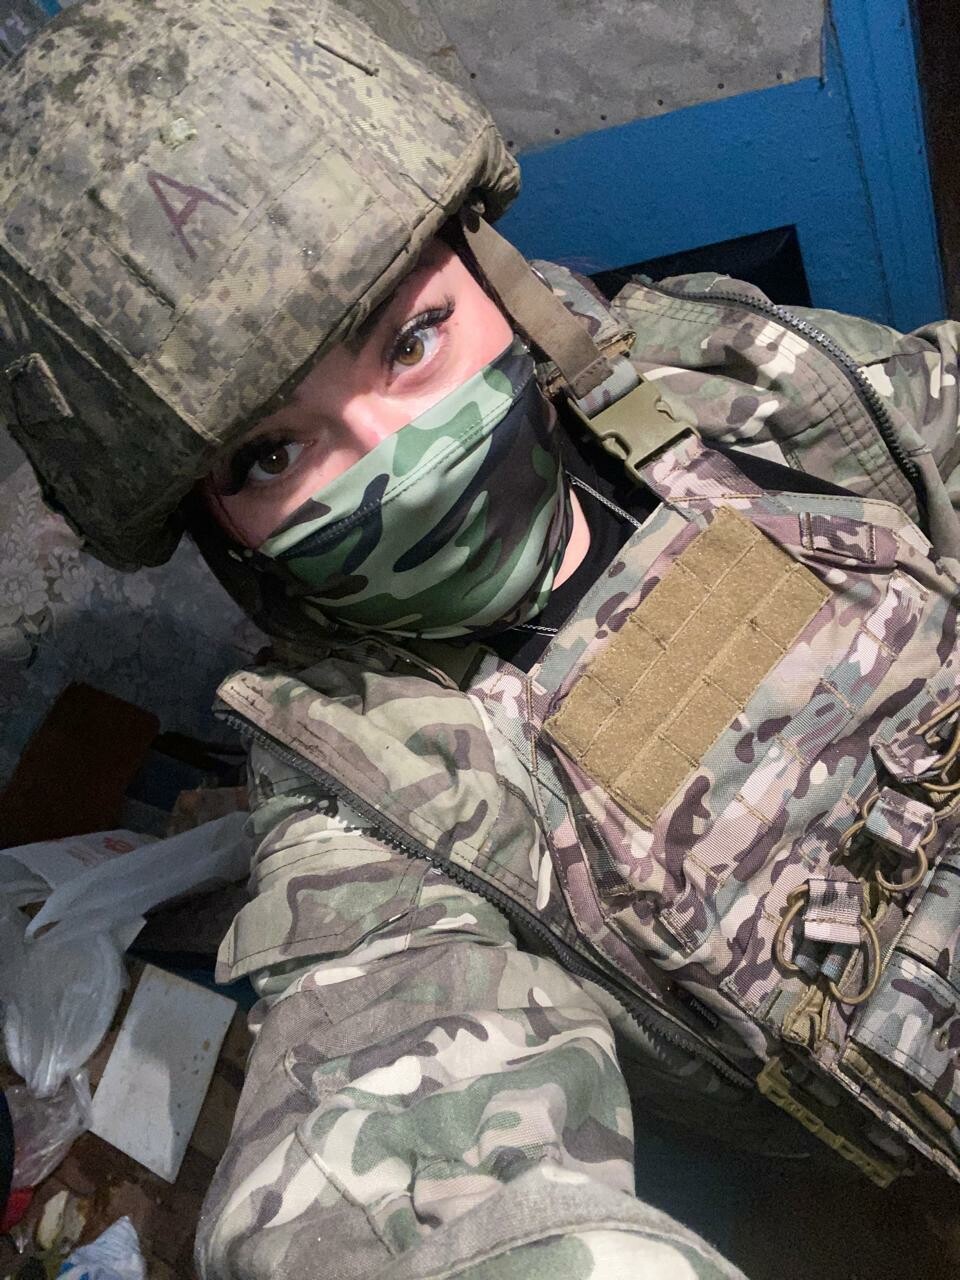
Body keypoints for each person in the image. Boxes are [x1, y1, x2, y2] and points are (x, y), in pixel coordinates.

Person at [3, 1, 960, 1277]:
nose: (396, 451)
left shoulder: (718, 375)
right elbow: (387, 1156)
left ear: (493, 275)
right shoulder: (372, 793)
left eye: (410, 339)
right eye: (270, 453)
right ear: (220, 531)